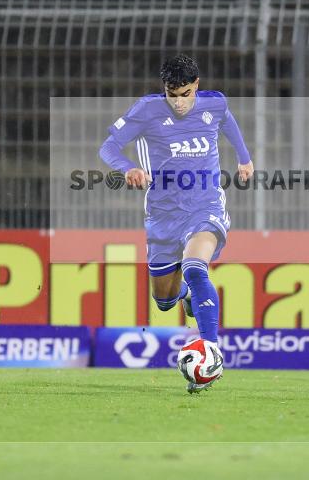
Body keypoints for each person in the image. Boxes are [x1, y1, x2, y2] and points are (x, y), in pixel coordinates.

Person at [99, 54, 253, 393]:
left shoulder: (214, 103)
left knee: (196, 267)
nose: (179, 102)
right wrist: (128, 168)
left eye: (185, 94)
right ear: (164, 89)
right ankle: (186, 295)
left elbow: (227, 121)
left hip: (204, 206)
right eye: (172, 94)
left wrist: (244, 158)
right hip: (163, 214)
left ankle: (211, 351)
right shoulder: (147, 110)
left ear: (196, 85)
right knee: (164, 300)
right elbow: (108, 147)